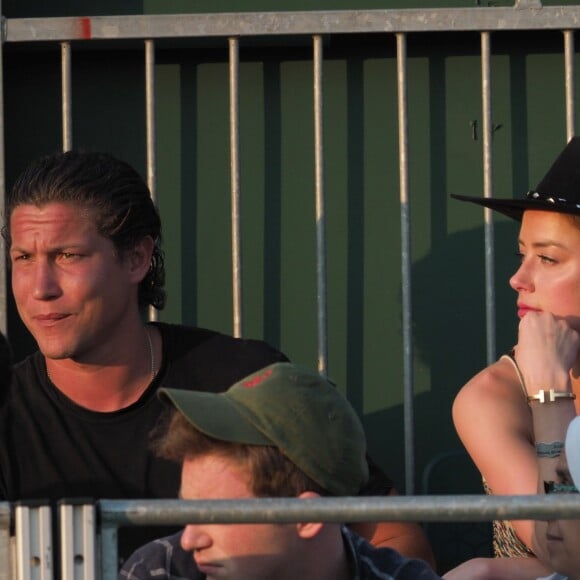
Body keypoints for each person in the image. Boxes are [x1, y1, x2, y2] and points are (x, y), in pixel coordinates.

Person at [0, 150, 435, 567]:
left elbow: (397, 543)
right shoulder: (5, 409)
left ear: (136, 258)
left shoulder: (241, 378)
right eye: (23, 258)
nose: (40, 287)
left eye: (68, 256)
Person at [120, 361, 441, 580]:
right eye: (188, 509)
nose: (190, 539)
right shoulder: (160, 570)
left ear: (307, 518)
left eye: (215, 514)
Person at [449, 137, 580, 577]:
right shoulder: (493, 396)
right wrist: (550, 395)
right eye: (522, 254)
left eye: (547, 258)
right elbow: (568, 555)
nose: (518, 278)